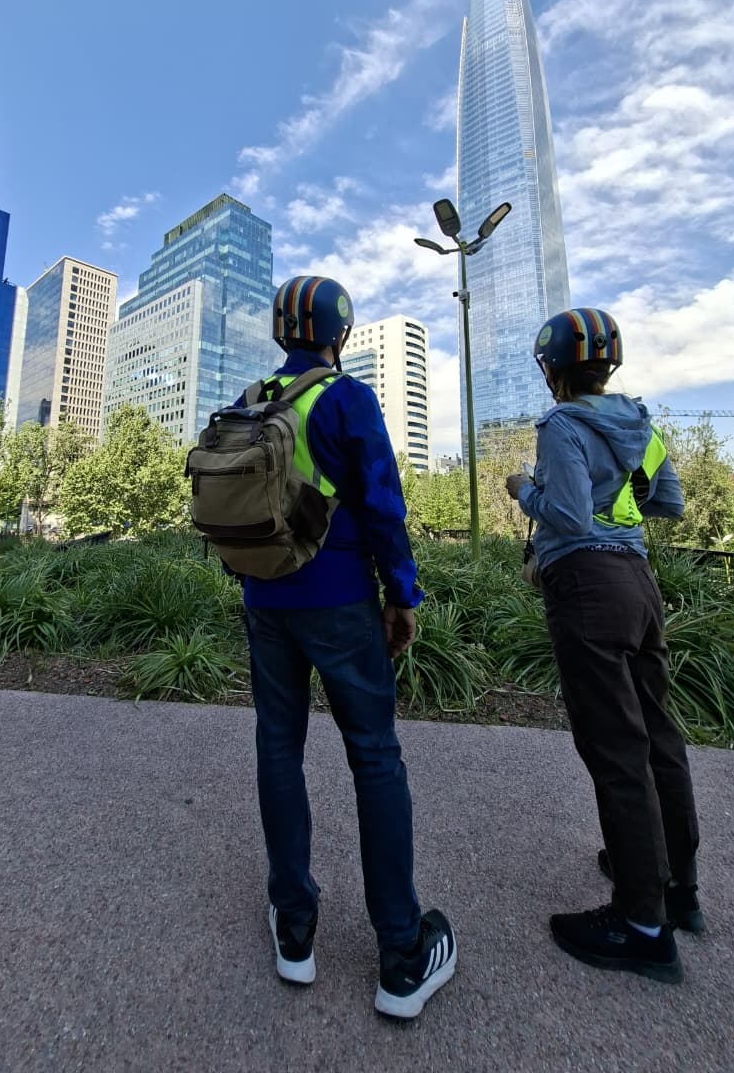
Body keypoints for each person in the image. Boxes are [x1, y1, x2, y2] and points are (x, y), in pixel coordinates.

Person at [240, 274, 455, 1019]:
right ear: (341, 334)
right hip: (338, 602)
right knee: (374, 756)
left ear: (281, 333)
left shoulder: (252, 401)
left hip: (265, 600)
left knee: (278, 747)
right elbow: (383, 504)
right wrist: (402, 595)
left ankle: (294, 928)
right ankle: (401, 952)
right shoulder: (347, 398)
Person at [505, 308, 702, 985]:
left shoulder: (562, 424)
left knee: (616, 748)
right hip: (638, 582)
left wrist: (523, 490)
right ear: (607, 365)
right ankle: (677, 888)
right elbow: (668, 502)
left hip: (587, 587)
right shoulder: (640, 424)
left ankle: (641, 925)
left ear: (553, 369)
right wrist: (616, 508)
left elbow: (562, 513)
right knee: (659, 736)